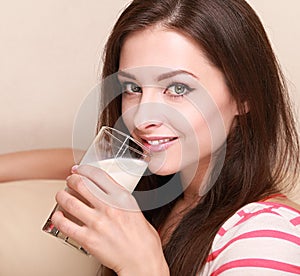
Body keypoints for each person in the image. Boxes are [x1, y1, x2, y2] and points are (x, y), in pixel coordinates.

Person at [4, 0, 300, 275]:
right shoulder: (163, 193)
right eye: (132, 88)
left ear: (243, 95)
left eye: (178, 89)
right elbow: (74, 163)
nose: (143, 118)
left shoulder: (266, 237)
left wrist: (143, 265)